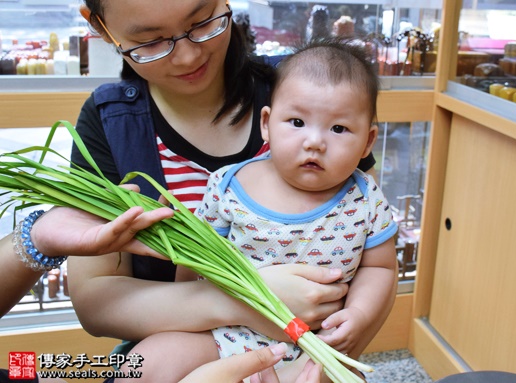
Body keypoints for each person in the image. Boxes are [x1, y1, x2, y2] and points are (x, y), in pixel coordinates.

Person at [67, 0, 392, 380]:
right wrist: (247, 301)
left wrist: (330, 353)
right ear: (102, 29)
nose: (187, 56)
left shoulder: (307, 87)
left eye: (203, 21)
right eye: (150, 41)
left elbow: (376, 264)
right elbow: (97, 302)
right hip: (204, 339)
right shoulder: (110, 125)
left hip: (317, 348)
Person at [0, 205, 320, 383]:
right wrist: (239, 301)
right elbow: (95, 310)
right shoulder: (108, 114)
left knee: (48, 369)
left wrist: (37, 236)